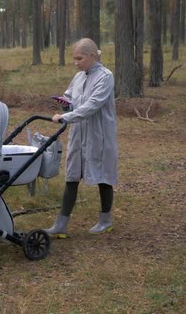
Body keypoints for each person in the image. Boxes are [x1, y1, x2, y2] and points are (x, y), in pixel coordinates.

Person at [45, 37, 118, 237]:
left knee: (103, 175)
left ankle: (105, 220)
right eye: (74, 59)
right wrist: (64, 103)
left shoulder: (105, 77)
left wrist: (66, 116)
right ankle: (61, 224)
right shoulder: (79, 77)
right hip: (78, 133)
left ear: (92, 56)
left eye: (79, 58)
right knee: (72, 175)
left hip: (98, 134)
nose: (76, 63)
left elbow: (92, 105)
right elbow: (70, 96)